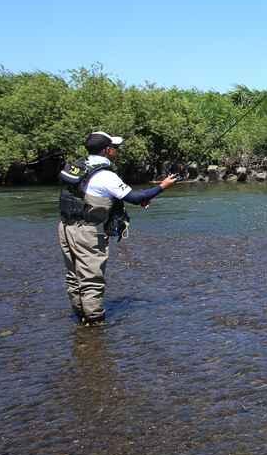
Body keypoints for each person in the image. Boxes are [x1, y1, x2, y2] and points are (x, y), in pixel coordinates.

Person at [57, 131, 179, 325]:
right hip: (87, 232)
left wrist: (132, 200)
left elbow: (88, 195)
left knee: (74, 275)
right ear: (107, 150)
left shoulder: (79, 167)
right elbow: (135, 197)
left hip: (65, 227)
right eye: (115, 148)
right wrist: (162, 186)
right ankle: (95, 324)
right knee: (91, 278)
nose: (117, 151)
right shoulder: (106, 175)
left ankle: (80, 317)